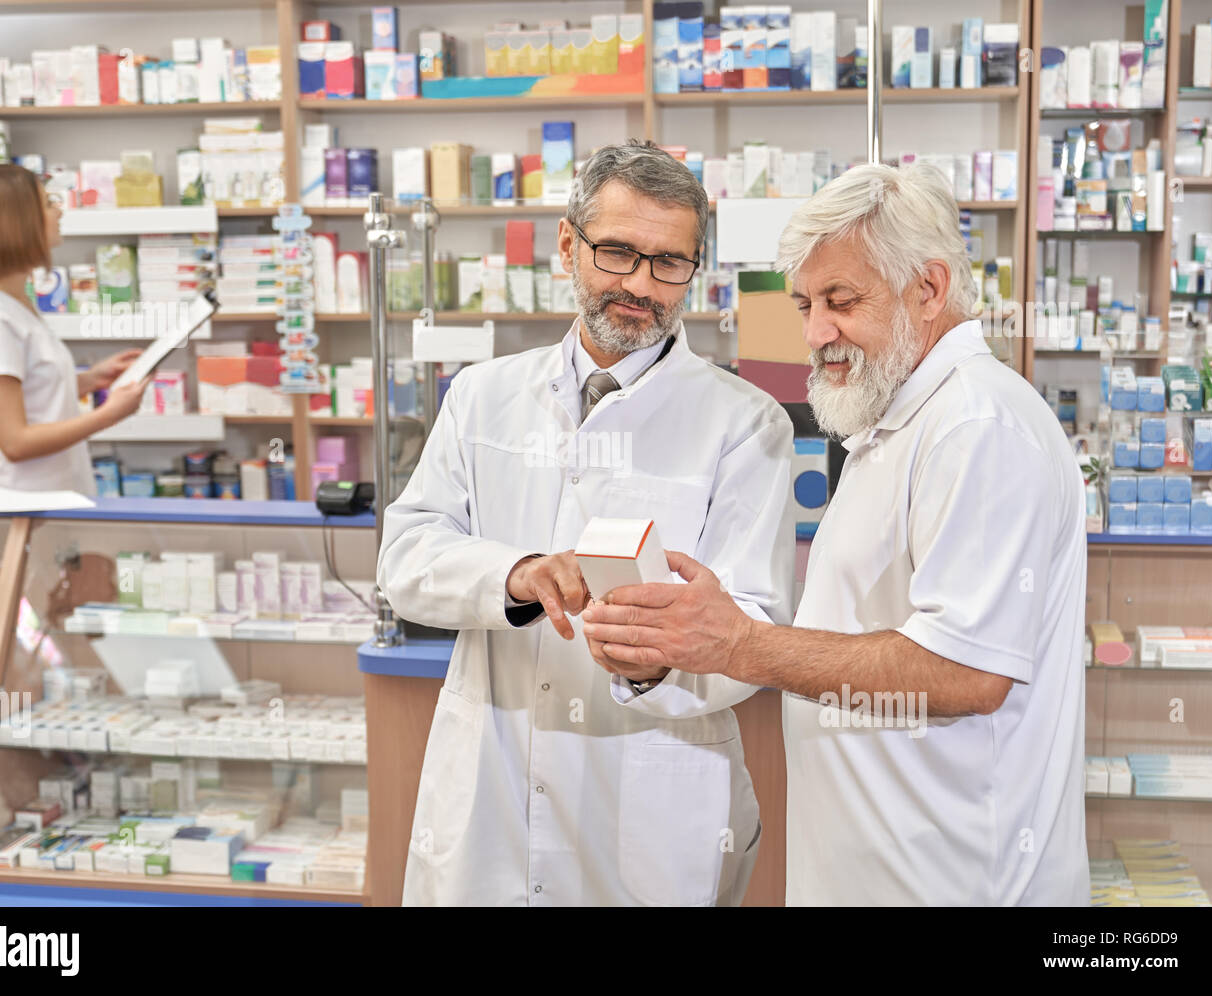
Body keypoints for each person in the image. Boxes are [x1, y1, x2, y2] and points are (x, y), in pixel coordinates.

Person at [581, 163, 1089, 906]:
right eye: (805, 304)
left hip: (959, 880)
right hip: (886, 872)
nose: (816, 333)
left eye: (841, 301)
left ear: (928, 288)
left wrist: (740, 643)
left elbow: (968, 674)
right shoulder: (892, 420)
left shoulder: (977, 426)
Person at [376, 140, 797, 906]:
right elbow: (406, 557)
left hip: (649, 804)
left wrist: (657, 664)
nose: (641, 284)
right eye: (617, 252)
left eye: (669, 262)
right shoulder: (482, 396)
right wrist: (516, 573)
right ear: (567, 244)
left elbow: (758, 625)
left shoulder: (746, 425)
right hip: (491, 790)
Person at [0, 164, 149, 496]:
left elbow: (30, 393)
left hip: (51, 495)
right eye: (47, 203)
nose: (59, 210)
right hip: (25, 501)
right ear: (16, 223)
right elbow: (15, 442)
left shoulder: (13, 302)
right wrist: (109, 414)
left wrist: (90, 379)